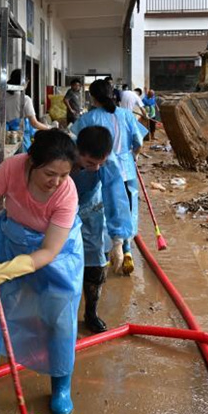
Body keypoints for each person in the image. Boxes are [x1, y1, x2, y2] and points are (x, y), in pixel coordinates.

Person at [0, 129, 83, 414]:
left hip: (57, 253)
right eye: (50, 173)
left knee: (59, 316)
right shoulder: (13, 167)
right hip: (11, 238)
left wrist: (12, 269)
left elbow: (49, 251)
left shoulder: (67, 193)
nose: (56, 182)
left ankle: (61, 384)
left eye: (64, 175)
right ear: (32, 162)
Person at [72, 80, 146, 276]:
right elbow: (139, 142)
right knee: (124, 206)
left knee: (100, 209)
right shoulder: (126, 115)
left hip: (97, 170)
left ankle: (112, 247)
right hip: (125, 168)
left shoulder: (87, 118)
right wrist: (133, 157)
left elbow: (76, 142)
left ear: (92, 97)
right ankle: (125, 249)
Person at [71, 126, 130, 334]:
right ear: (77, 151)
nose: (96, 168)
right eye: (89, 163)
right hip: (58, 211)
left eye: (100, 164)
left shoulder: (108, 163)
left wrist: (118, 241)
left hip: (90, 214)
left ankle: (91, 313)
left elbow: (116, 199)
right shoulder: (61, 152)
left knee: (95, 266)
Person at [4, 68, 50, 151]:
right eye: (27, 81)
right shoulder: (25, 99)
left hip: (6, 139)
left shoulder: (4, 97)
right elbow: (34, 123)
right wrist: (49, 128)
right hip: (20, 140)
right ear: (24, 82)